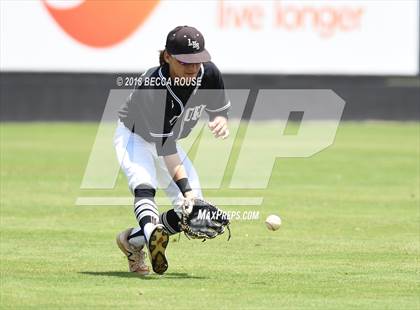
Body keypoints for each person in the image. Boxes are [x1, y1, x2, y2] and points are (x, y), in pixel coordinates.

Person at [114, 26, 231, 275]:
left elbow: (219, 107)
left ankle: (133, 240)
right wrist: (186, 190)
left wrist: (220, 118)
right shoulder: (153, 87)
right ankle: (149, 233)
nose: (193, 67)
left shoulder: (208, 73)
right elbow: (165, 149)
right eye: (185, 62)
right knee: (144, 184)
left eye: (198, 61)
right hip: (134, 138)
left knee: (192, 213)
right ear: (167, 57)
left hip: (169, 145)